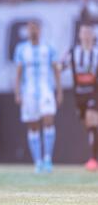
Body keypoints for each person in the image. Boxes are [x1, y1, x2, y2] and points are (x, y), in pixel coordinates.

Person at [14, 21, 63, 173]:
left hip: (45, 90)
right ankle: (38, 161)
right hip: (28, 92)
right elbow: (18, 73)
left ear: (40, 30)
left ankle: (48, 159)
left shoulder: (48, 48)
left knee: (48, 120)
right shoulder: (21, 49)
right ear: (27, 31)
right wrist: (17, 92)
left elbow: (56, 70)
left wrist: (59, 91)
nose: (33, 31)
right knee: (33, 125)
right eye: (30, 29)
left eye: (36, 29)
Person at [62, 23, 98, 171]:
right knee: (89, 126)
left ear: (93, 35)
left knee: (92, 120)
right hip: (79, 96)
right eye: (84, 33)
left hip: (94, 93)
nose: (87, 35)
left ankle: (93, 159)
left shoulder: (96, 52)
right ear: (80, 35)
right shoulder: (72, 52)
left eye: (89, 33)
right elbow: (60, 66)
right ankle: (94, 154)